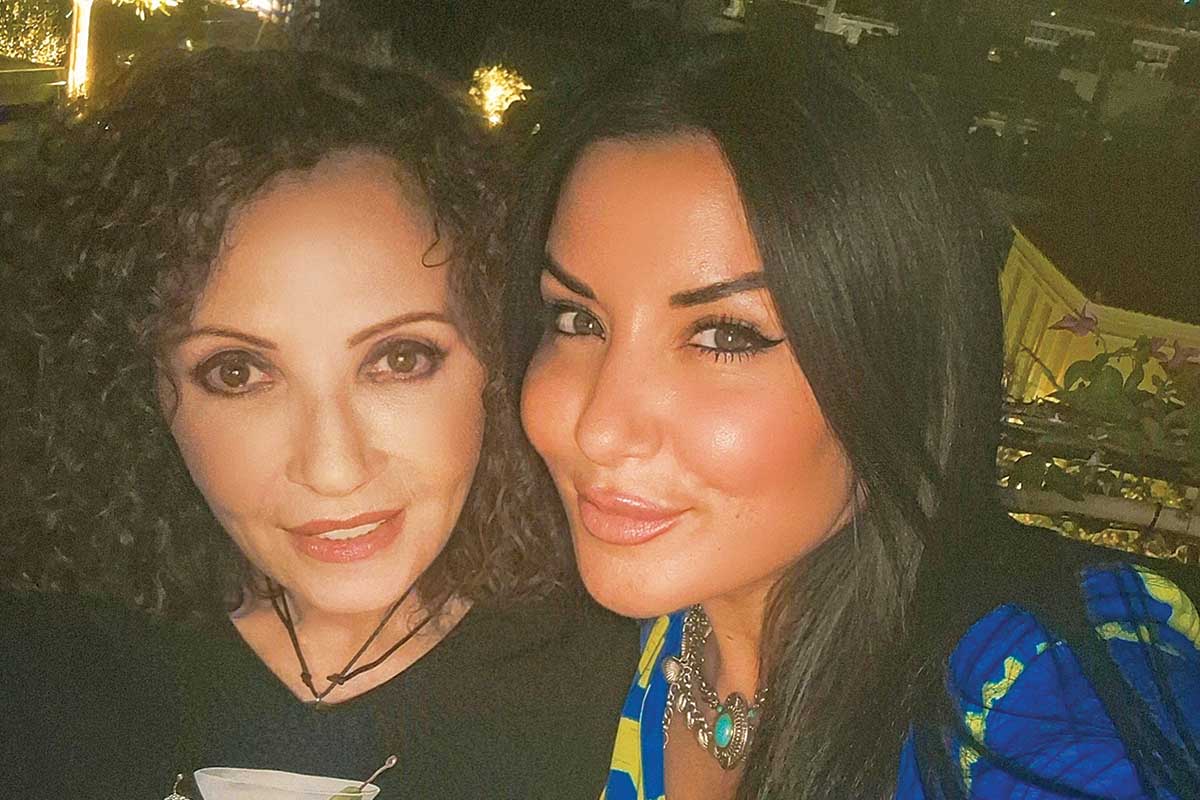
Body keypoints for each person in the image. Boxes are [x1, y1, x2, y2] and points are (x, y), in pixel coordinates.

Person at [506, 36, 1200, 800]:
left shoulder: (1039, 701)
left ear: (898, 367)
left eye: (725, 337)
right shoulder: (651, 630)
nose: (600, 429)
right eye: (577, 320)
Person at [0, 48, 637, 799]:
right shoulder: (41, 666)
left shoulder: (631, 688)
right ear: (137, 389)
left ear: (497, 363)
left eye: (400, 358)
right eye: (236, 373)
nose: (333, 469)